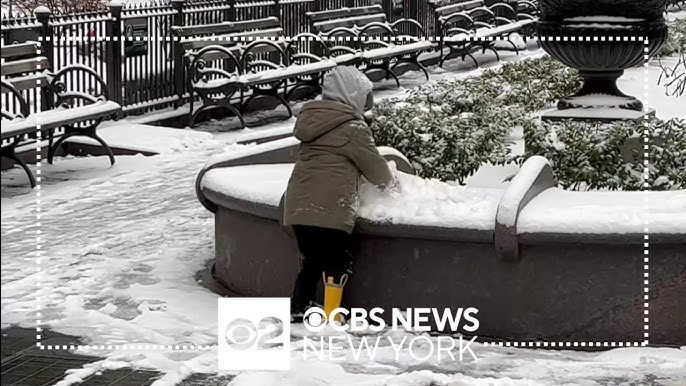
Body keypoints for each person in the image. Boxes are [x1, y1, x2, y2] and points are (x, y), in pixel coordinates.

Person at [282, 66, 398, 321]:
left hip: (298, 208)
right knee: (337, 261)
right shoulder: (353, 128)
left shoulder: (312, 121)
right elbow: (375, 168)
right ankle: (333, 314)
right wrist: (392, 185)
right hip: (329, 210)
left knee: (312, 261)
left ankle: (299, 309)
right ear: (352, 94)